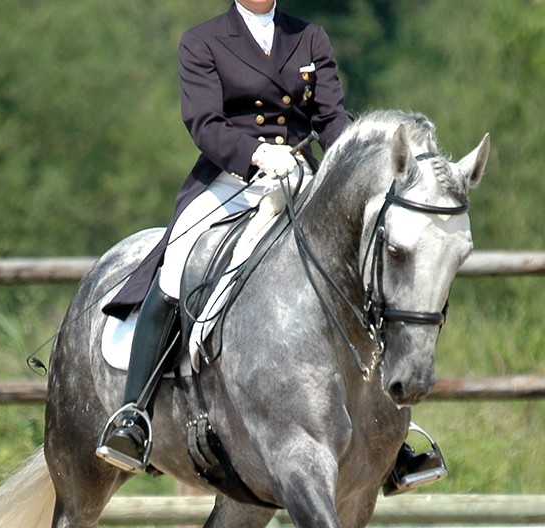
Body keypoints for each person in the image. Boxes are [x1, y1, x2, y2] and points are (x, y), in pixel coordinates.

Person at [96, 0, 447, 496]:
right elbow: (203, 121)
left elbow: (331, 120)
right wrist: (256, 152)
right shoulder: (203, 40)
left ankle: (389, 438)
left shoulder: (309, 38)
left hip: (302, 179)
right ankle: (133, 416)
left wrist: (354, 174)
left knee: (366, 275)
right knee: (174, 267)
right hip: (229, 180)